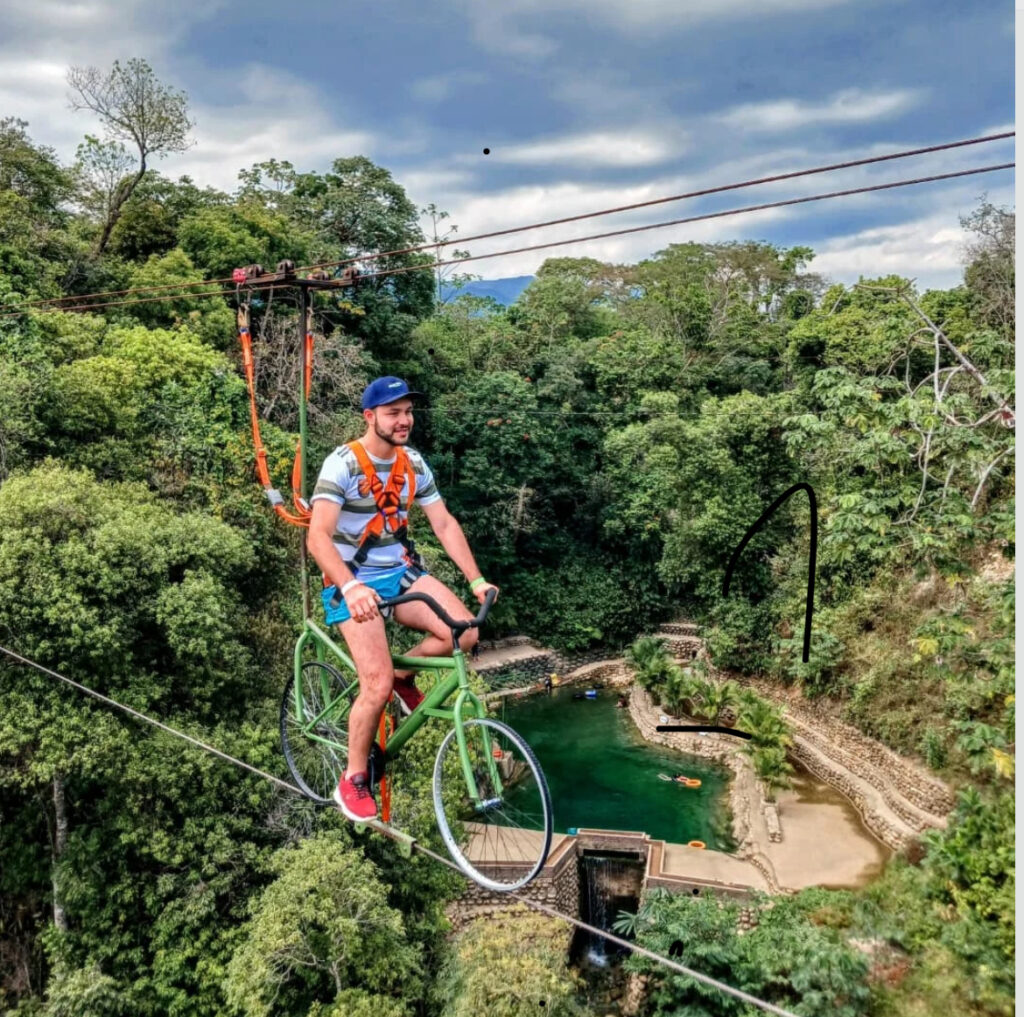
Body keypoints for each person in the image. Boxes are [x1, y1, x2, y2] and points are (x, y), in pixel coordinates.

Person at [306, 376, 499, 822]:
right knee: (374, 684)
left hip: (399, 574)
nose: (403, 420)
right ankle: (353, 777)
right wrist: (350, 587)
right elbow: (318, 538)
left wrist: (475, 579)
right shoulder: (342, 465)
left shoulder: (412, 463)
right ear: (369, 416)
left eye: (408, 412)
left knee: (464, 633)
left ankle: (404, 676)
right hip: (351, 579)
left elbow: (443, 523)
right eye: (393, 413)